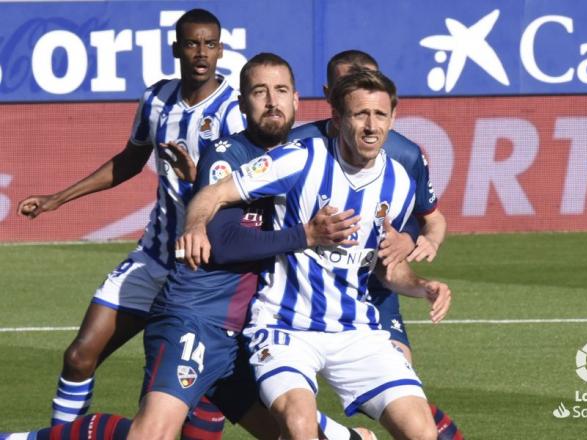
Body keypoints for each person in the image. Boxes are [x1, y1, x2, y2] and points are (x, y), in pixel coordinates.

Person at [1, 53, 373, 440]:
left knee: (282, 432)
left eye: (280, 90)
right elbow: (224, 243)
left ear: (297, 99)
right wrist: (305, 235)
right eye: (259, 92)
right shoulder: (228, 156)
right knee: (150, 435)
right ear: (242, 102)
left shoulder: (305, 153)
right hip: (198, 317)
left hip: (249, 330)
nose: (271, 101)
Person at [180, 69, 452, 439]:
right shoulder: (298, 159)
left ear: (393, 118)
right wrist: (195, 225)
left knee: (422, 431)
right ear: (338, 120)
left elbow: (386, 269)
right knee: (299, 425)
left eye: (381, 115)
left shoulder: (400, 184)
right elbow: (216, 193)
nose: (372, 126)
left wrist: (423, 287)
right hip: (284, 327)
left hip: (356, 331)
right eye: (360, 115)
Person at [16, 8, 240, 437]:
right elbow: (130, 161)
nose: (201, 53)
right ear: (176, 48)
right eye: (192, 43)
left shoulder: (233, 112)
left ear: (220, 50)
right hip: (153, 258)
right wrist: (57, 198)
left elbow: (242, 194)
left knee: (192, 402)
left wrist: (199, 182)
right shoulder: (156, 99)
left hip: (201, 270)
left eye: (210, 44)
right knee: (80, 356)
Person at [291, 50, 463, 439]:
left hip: (375, 287)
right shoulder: (300, 149)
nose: (365, 107)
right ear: (330, 96)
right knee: (285, 410)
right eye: (347, 86)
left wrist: (420, 243)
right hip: (299, 298)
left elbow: (432, 220)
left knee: (405, 391)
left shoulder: (404, 155)